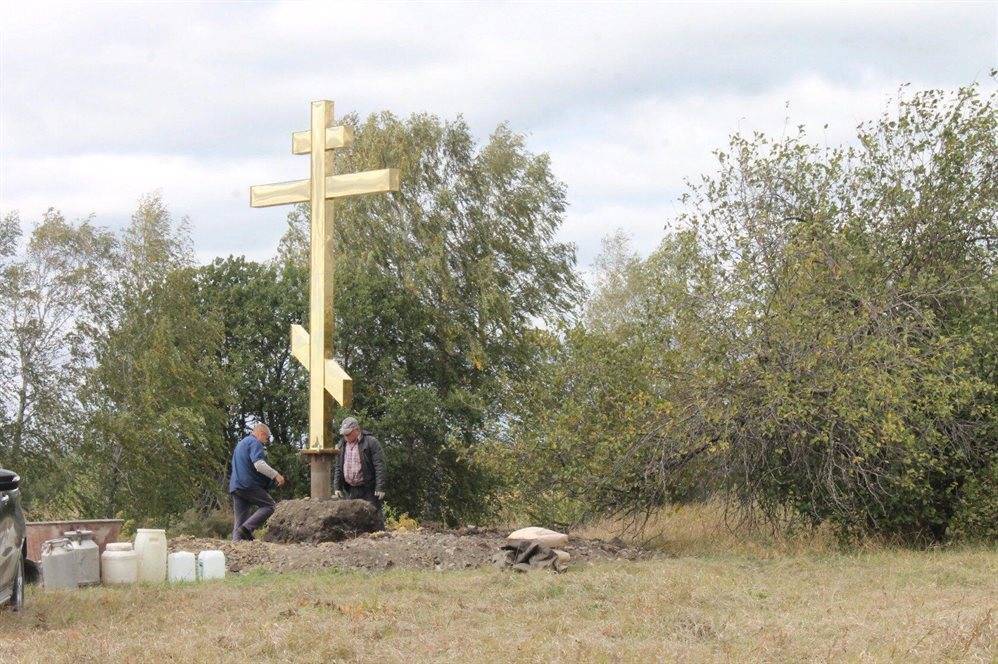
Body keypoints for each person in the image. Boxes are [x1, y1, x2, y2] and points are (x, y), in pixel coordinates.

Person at [229, 422, 285, 541]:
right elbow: (259, 464)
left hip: (236, 486)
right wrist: (276, 475)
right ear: (261, 433)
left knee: (240, 521)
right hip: (248, 484)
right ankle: (247, 529)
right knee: (270, 506)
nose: (267, 441)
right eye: (267, 437)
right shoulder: (255, 443)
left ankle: (235, 548)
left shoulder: (241, 444)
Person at [333, 417, 386, 525]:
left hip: (368, 489)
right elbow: (338, 466)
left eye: (348, 434)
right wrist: (337, 486)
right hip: (351, 490)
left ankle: (379, 537)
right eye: (344, 434)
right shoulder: (341, 444)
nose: (345, 436)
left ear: (357, 430)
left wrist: (380, 487)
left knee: (373, 517)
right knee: (353, 519)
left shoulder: (371, 442)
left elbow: (380, 465)